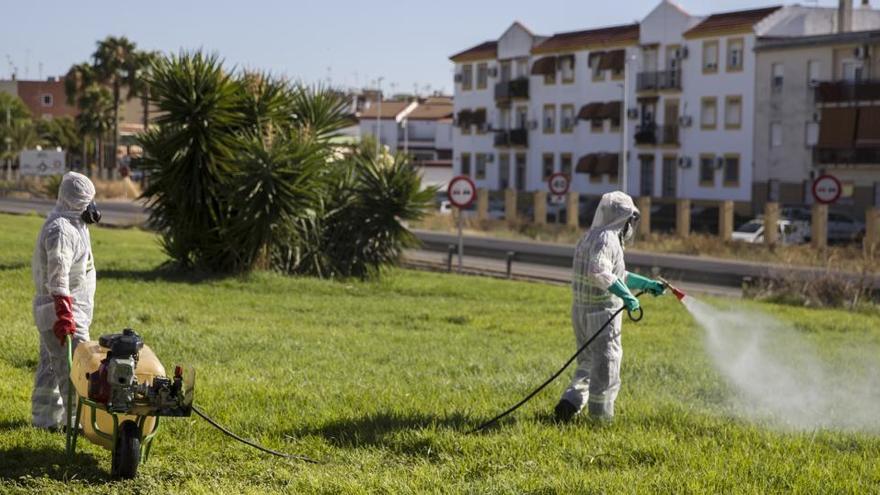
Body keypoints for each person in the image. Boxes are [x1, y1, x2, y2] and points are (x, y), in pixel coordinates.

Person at [554, 191, 664, 422]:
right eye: (630, 219)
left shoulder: (590, 236)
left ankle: (571, 402)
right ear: (624, 217)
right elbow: (599, 272)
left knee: (587, 362)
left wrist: (644, 284)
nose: (631, 225)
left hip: (582, 313)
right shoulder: (608, 239)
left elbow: (617, 274)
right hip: (601, 315)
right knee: (606, 365)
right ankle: (600, 419)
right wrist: (627, 297)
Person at [31, 172, 101, 430]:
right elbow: (57, 278)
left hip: (68, 312)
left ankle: (45, 418)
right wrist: (64, 315)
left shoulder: (74, 224)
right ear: (77, 200)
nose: (93, 207)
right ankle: (78, 424)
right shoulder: (61, 231)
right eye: (88, 200)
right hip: (63, 315)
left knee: (51, 366)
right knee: (74, 371)